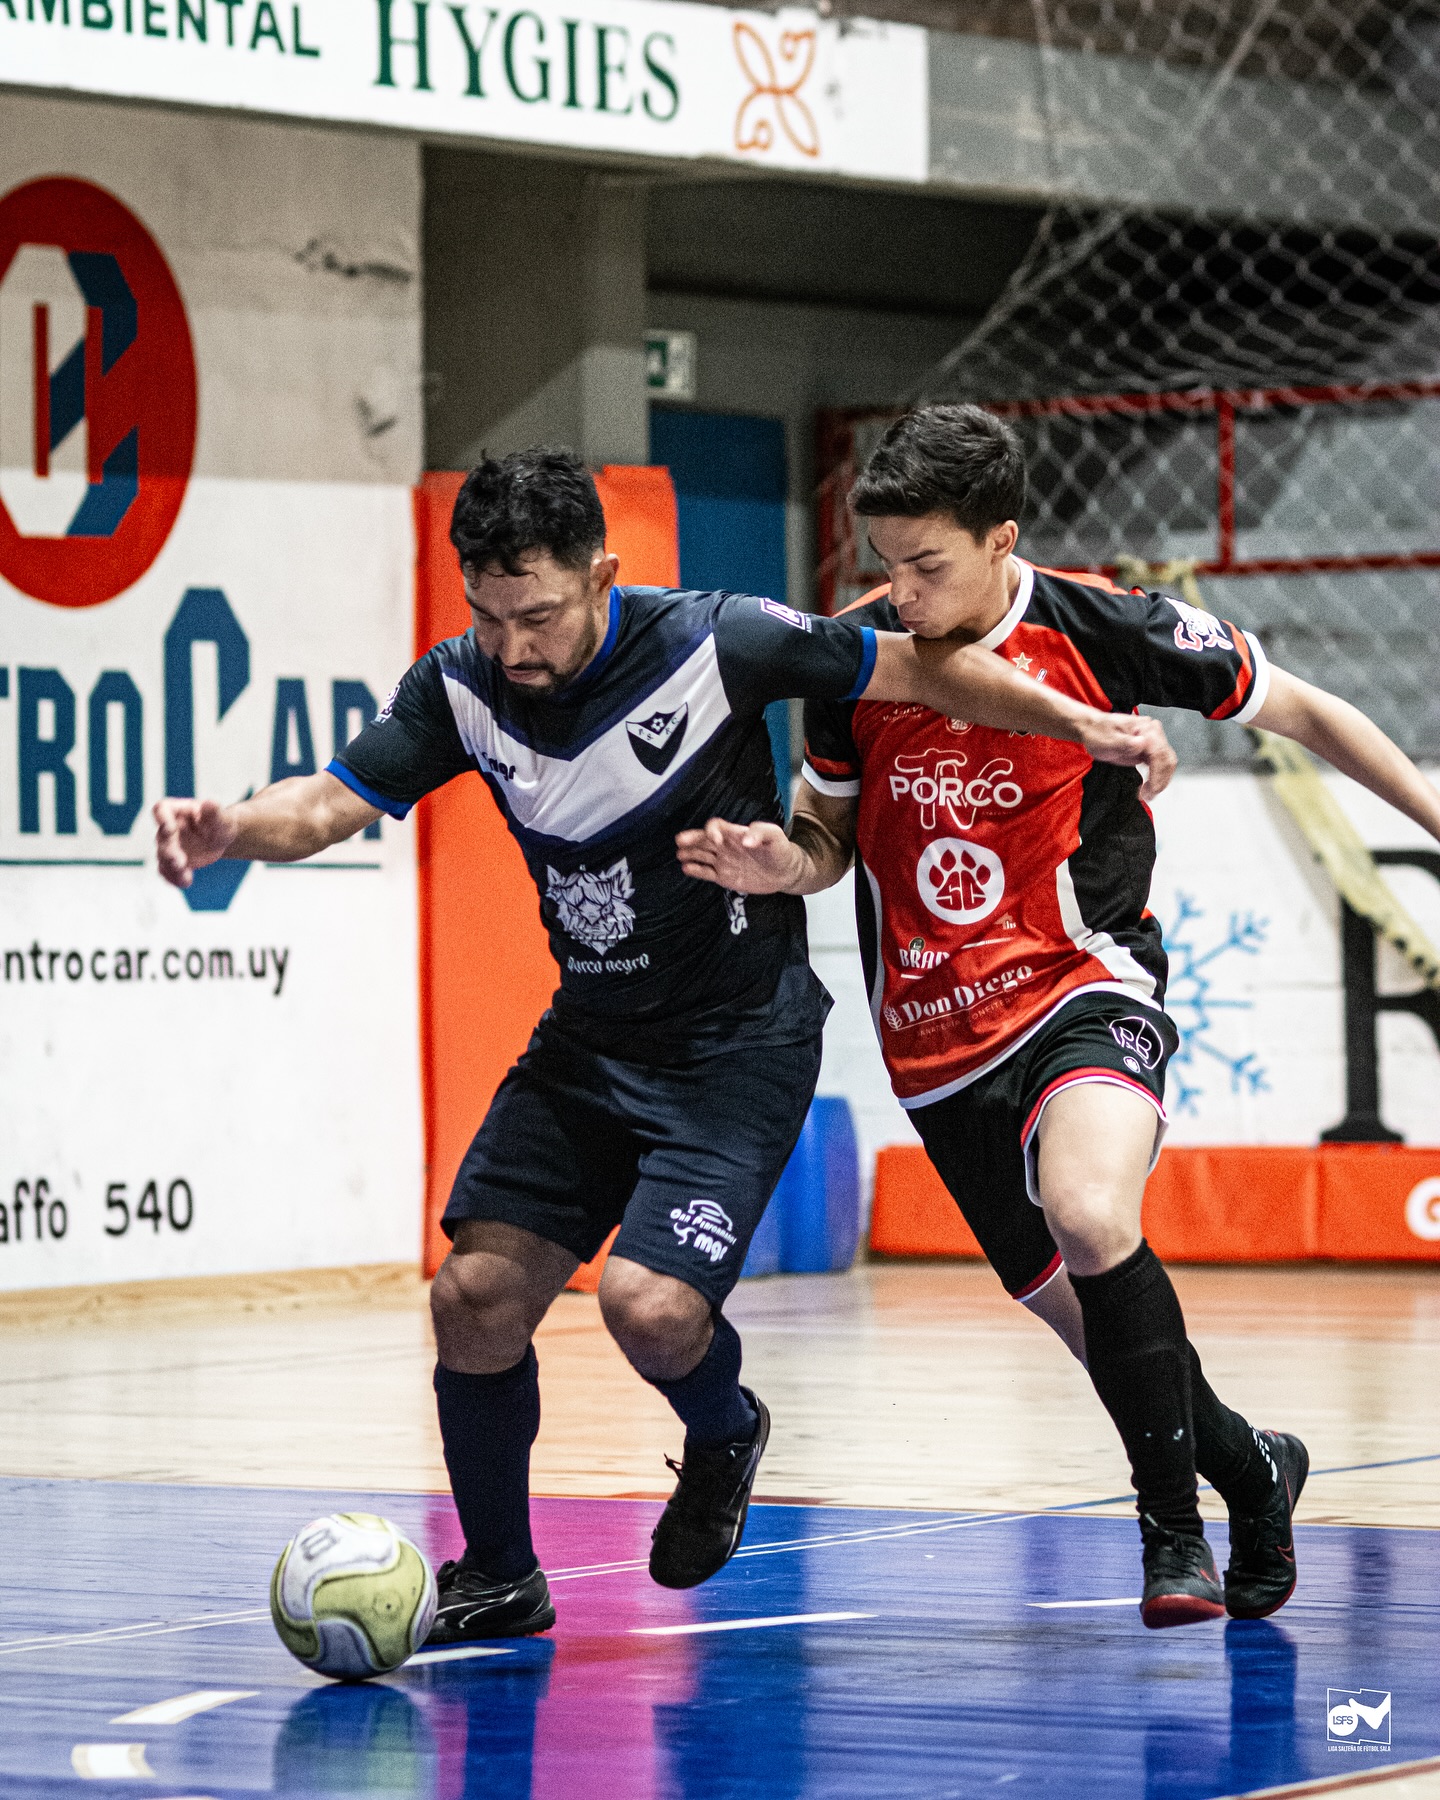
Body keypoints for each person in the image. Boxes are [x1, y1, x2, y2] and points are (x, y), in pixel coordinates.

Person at [153, 446, 1171, 1645]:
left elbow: (919, 669)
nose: (515, 646)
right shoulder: (461, 687)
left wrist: (1081, 722)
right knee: (473, 1299)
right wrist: (231, 829)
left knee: (647, 1305)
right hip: (590, 1039)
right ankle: (497, 1573)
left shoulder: (717, 640)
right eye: (490, 617)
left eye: (537, 614)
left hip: (740, 1040)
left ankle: (726, 1432)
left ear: (604, 573)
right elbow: (327, 804)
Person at [678, 404, 1440, 1629]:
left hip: (1084, 987)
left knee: (1092, 1212)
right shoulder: (855, 658)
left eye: (928, 565)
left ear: (1003, 539)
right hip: (930, 1038)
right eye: (885, 565)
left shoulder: (1106, 629)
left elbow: (1310, 711)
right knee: (1103, 1335)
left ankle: (1170, 1534)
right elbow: (826, 838)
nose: (901, 591)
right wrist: (784, 864)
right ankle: (1254, 1469)